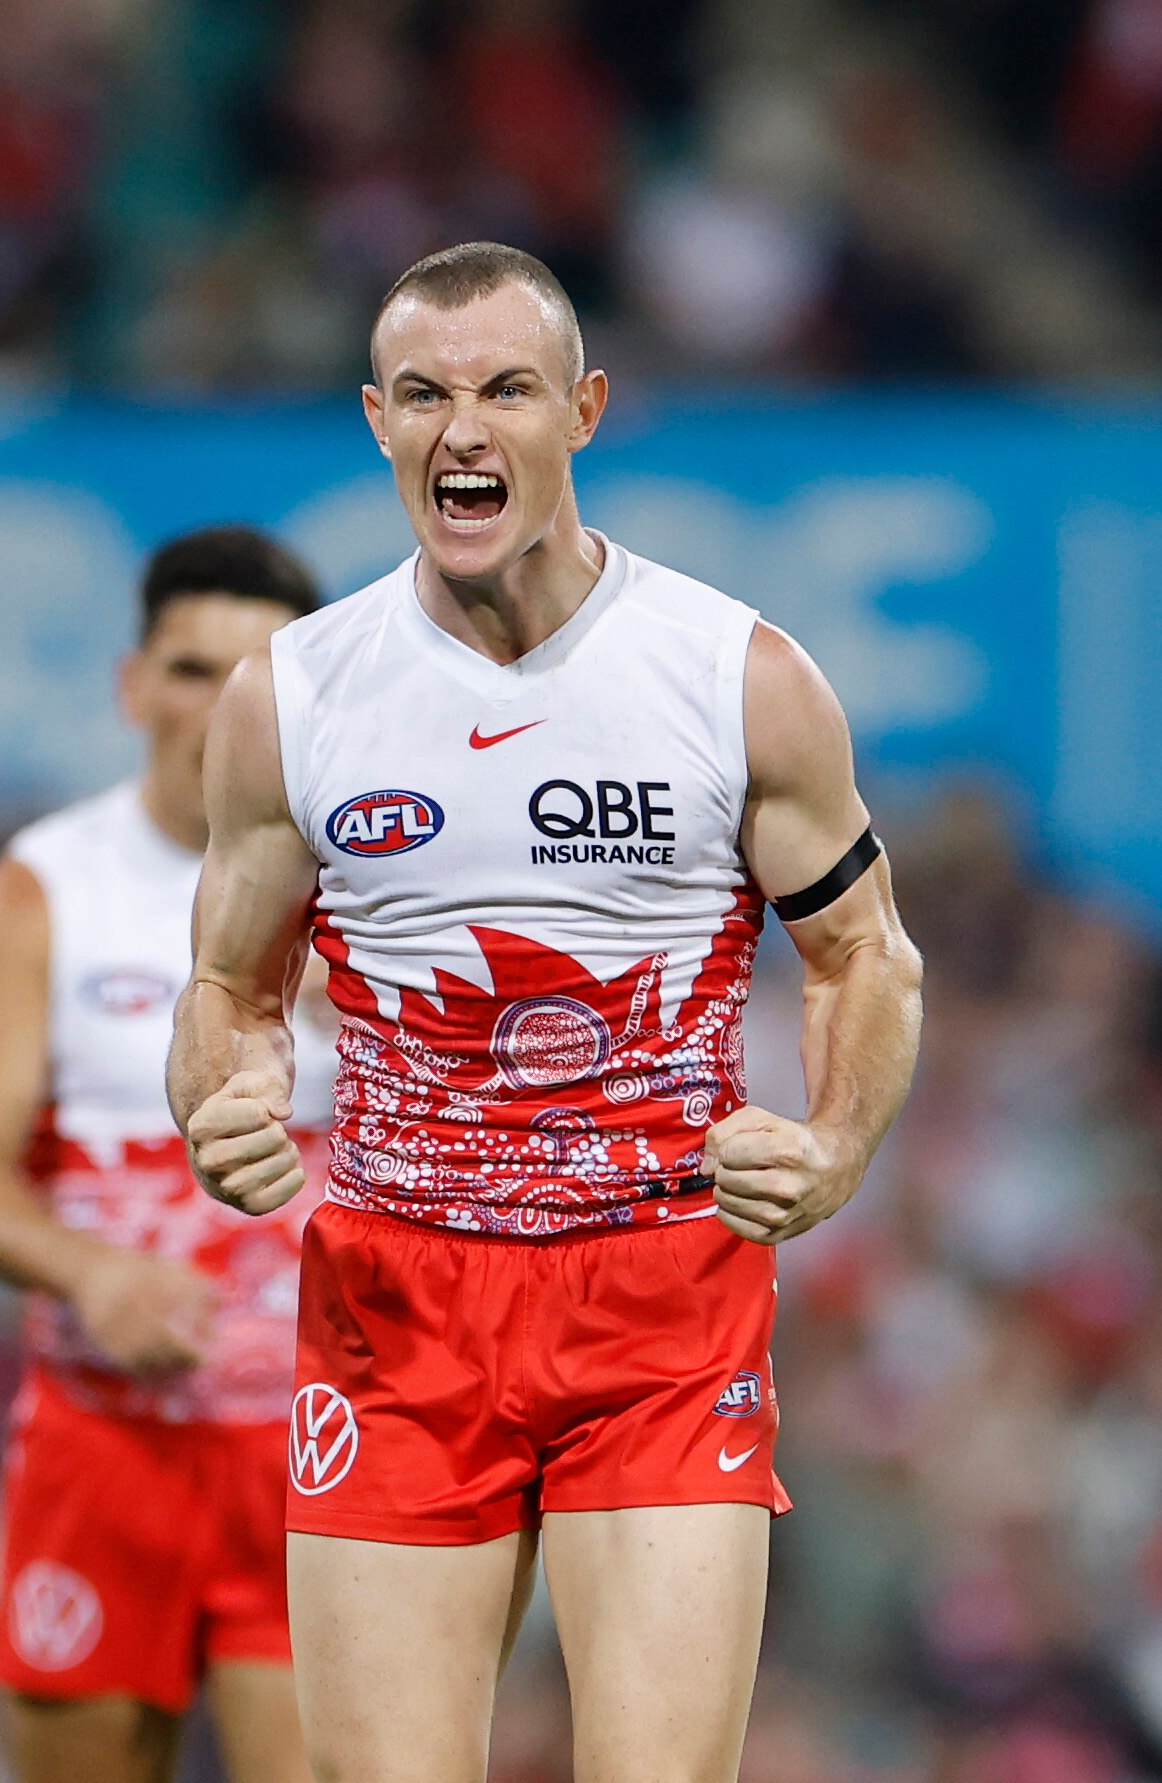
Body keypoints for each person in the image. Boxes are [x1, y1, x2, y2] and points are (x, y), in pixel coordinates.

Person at [167, 242, 924, 1783]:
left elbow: (866, 953)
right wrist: (220, 1101)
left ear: (581, 409)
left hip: (657, 1296)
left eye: (506, 387)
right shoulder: (290, 697)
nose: (465, 428)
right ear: (373, 420)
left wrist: (836, 1144)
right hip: (394, 1306)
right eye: (426, 395)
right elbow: (228, 987)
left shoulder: (732, 676)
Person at [0, 525, 327, 1783]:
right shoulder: (45, 888)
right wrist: (92, 1271)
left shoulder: (367, 884)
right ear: (133, 683)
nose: (215, 705)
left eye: (250, 675)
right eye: (191, 669)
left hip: (311, 1446)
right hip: (107, 1441)